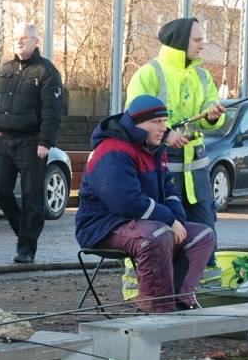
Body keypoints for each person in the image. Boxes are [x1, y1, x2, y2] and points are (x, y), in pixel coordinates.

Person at [75, 95, 216, 313]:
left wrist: (177, 218)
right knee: (157, 235)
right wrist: (168, 219)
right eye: (156, 122)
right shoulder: (112, 150)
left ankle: (178, 302)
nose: (163, 128)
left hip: (142, 223)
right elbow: (126, 202)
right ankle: (155, 310)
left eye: (164, 122)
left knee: (203, 235)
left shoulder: (154, 148)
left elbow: (169, 190)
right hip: (102, 226)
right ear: (138, 124)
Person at [125, 17, 226, 283]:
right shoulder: (148, 74)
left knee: (205, 230)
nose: (203, 45)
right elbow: (132, 117)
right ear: (180, 41)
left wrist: (213, 116)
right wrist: (167, 134)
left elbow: (210, 117)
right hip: (158, 169)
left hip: (197, 175)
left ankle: (203, 290)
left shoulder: (203, 76)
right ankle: (147, 286)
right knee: (159, 229)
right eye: (197, 39)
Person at [0, 22, 64, 264]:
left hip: (32, 142)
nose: (20, 42)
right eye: (16, 38)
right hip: (4, 140)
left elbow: (53, 111)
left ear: (35, 42)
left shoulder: (46, 71)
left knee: (32, 196)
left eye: (24, 38)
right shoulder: (6, 69)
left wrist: (45, 141)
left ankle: (26, 249)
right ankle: (25, 232)